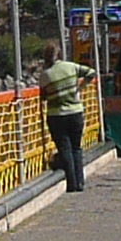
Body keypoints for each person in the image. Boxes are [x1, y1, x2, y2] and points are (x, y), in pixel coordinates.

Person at [39, 49, 92, 192]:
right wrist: (79, 88)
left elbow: (43, 95)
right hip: (75, 112)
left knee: (64, 148)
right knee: (76, 147)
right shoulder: (71, 66)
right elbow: (91, 73)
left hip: (56, 115)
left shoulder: (45, 75)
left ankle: (71, 183)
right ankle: (80, 182)